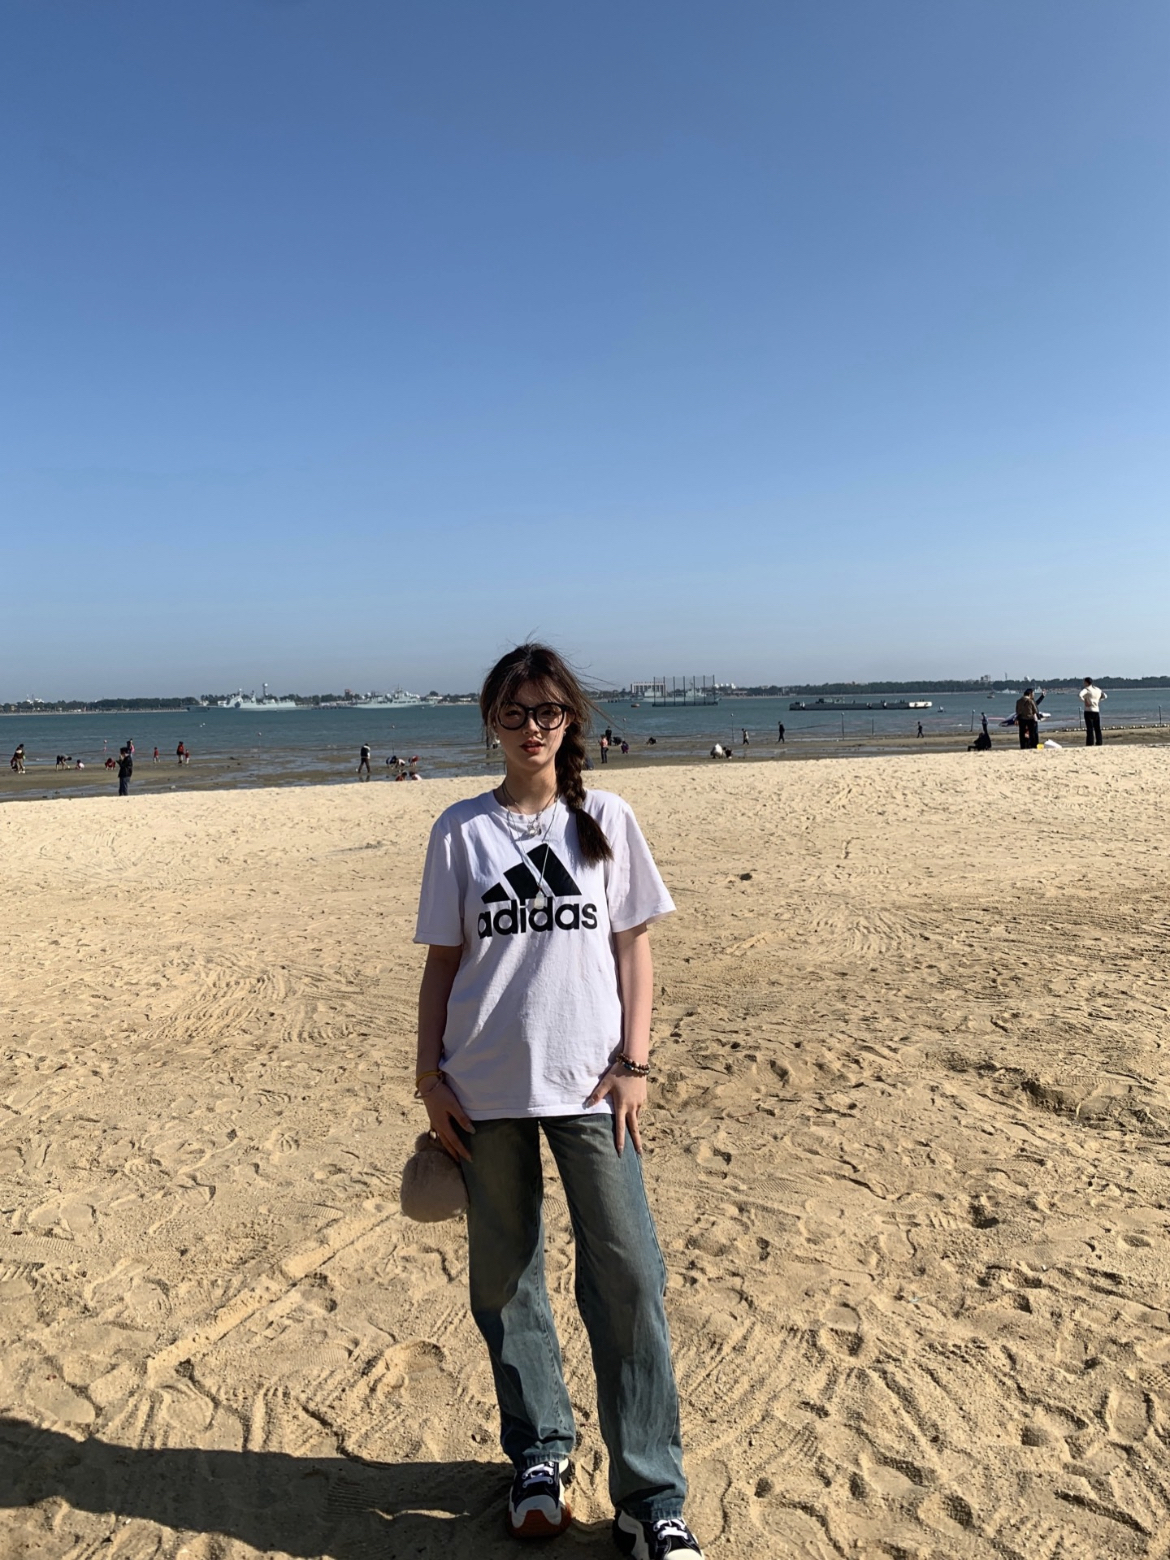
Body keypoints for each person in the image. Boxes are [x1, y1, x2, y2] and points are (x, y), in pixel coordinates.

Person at [414, 642, 705, 1559]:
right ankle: (540, 1455)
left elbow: (633, 949)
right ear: (491, 724)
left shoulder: (606, 817)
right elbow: (443, 964)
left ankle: (650, 1497)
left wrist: (636, 1062)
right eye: (513, 712)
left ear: (570, 719)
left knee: (629, 1275)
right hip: (483, 1086)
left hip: (592, 1085)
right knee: (505, 1280)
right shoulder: (460, 830)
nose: (531, 727)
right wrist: (429, 1079)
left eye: (546, 711)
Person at [1079, 678, 1106, 746]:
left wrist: (1085, 701)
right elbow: (1105, 696)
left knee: (1089, 728)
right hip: (1096, 710)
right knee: (1097, 728)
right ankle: (1099, 742)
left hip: (1088, 710)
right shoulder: (1097, 689)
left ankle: (1090, 742)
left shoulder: (1087, 689)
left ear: (1086, 682)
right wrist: (1098, 700)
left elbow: (1080, 695)